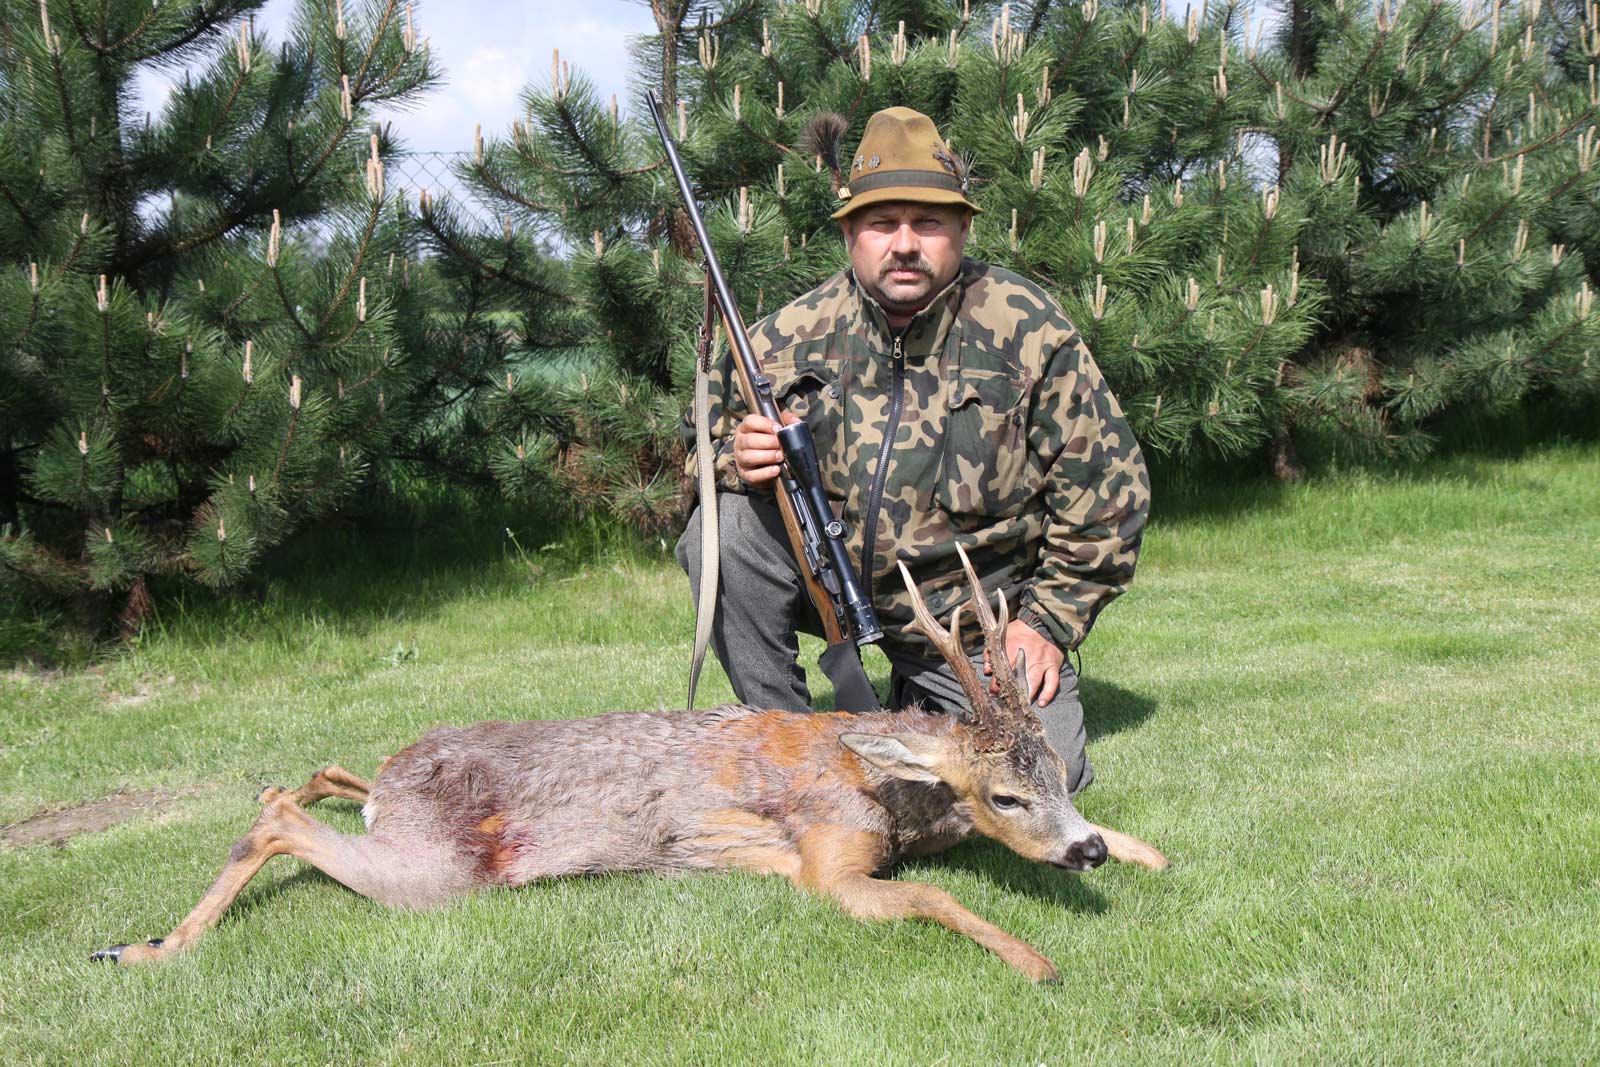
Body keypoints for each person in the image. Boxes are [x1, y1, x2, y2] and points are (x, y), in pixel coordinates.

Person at [675, 106, 1149, 795]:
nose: (904, 244)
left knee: (1048, 778)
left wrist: (1045, 622)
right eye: (881, 223)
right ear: (849, 233)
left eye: (927, 222)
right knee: (720, 531)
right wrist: (734, 460)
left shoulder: (1028, 330)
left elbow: (1110, 493)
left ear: (963, 229)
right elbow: (698, 455)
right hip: (829, 587)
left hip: (972, 622)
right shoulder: (783, 338)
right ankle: (792, 751)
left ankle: (922, 693)